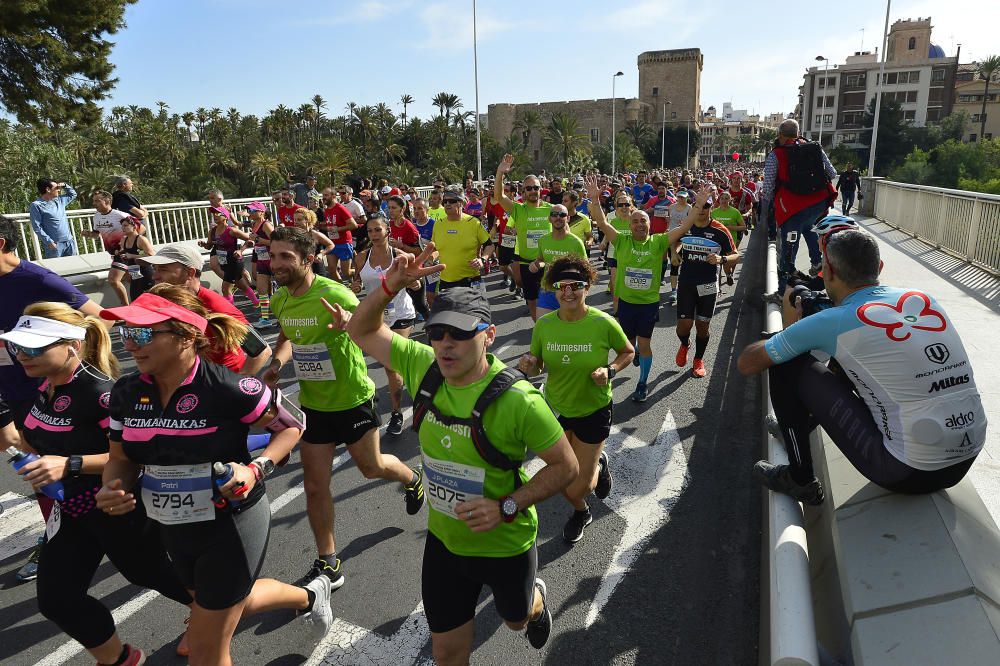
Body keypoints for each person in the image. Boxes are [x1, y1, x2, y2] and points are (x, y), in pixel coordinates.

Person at [331, 251, 577, 664]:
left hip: (505, 545)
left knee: (516, 620)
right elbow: (361, 328)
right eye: (438, 332)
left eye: (461, 334)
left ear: (490, 334)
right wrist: (389, 287)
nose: (446, 344)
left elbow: (566, 466)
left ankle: (535, 598)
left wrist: (507, 506)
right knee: (446, 652)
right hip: (446, 544)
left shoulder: (520, 401)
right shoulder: (423, 365)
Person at [96, 292, 332, 666]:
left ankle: (305, 597)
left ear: (186, 336)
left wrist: (257, 469)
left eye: (142, 335)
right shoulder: (126, 392)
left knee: (206, 651)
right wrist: (114, 486)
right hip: (172, 525)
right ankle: (310, 596)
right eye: (126, 331)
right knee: (223, 600)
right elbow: (121, 459)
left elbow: (293, 426)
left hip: (230, 522)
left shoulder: (229, 388)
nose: (129, 344)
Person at [738, 218, 987, 503]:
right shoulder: (922, 299)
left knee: (786, 362)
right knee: (855, 356)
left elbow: (748, 363)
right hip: (966, 458)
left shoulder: (835, 320)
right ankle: (798, 428)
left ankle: (800, 478)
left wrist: (784, 338)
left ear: (827, 270)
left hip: (907, 471)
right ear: (879, 268)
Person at [1, 303, 194, 666]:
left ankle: (229, 610)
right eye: (16, 347)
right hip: (72, 512)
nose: (22, 356)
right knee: (57, 600)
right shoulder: (46, 384)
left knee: (153, 574)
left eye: (33, 347)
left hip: (117, 507)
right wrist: (28, 452)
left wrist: (69, 464)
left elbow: (136, 456)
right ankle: (121, 660)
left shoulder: (103, 393)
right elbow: (39, 436)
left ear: (72, 346)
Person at [261, 226, 424, 589]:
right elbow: (288, 336)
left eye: (286, 256)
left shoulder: (334, 293)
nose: (277, 264)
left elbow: (371, 327)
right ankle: (329, 562)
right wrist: (277, 362)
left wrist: (349, 324)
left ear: (309, 259)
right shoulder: (280, 300)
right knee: (315, 486)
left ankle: (413, 479)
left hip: (353, 401)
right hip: (314, 406)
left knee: (372, 467)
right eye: (273, 256)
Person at [0, 215, 106, 582]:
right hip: (10, 392)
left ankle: (91, 533)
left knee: (73, 466)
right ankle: (60, 532)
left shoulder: (39, 281)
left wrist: (75, 374)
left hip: (52, 394)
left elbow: (98, 319)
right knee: (35, 468)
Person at [518, 255, 633, 543]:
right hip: (556, 408)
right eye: (561, 285)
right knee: (563, 477)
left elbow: (628, 352)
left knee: (576, 487)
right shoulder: (544, 325)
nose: (568, 291)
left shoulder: (602, 322)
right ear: (553, 289)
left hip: (593, 409)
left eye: (576, 285)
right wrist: (531, 366)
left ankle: (596, 472)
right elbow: (539, 363)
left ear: (587, 287)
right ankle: (582, 512)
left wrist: (610, 370)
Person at [586, 176, 699, 401]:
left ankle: (642, 383)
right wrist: (594, 199)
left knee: (645, 345)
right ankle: (634, 349)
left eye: (643, 221)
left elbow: (685, 226)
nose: (639, 224)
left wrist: (698, 204)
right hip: (626, 303)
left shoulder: (658, 242)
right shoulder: (622, 241)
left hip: (647, 305)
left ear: (649, 224)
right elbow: (602, 222)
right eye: (635, 221)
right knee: (627, 344)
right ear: (630, 225)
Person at [142, 244, 272, 376]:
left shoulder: (215, 306)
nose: (154, 276)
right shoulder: (165, 301)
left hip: (220, 384)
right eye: (155, 269)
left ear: (190, 273)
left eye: (163, 269)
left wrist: (238, 386)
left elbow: (262, 351)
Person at [352, 216, 416, 436]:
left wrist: (413, 280)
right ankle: (415, 377)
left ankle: (397, 414)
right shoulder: (361, 257)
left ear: (388, 231)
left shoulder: (399, 256)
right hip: (376, 316)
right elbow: (358, 282)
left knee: (391, 364)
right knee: (395, 363)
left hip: (401, 313)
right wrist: (356, 285)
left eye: (378, 230)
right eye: (370, 231)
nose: (374, 234)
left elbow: (414, 283)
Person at [760, 119, 837, 294]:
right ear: (798, 133)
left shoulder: (776, 154)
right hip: (817, 204)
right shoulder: (813, 147)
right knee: (810, 228)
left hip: (792, 209)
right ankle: (816, 263)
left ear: (780, 135)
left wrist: (768, 212)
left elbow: (768, 187)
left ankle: (781, 292)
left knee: (788, 253)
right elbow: (832, 173)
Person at [675, 189, 740, 379]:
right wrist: (676, 251)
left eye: (706, 206)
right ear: (694, 208)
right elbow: (674, 240)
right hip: (687, 282)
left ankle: (698, 359)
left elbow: (736, 255)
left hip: (709, 284)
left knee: (702, 326)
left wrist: (721, 259)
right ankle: (685, 343)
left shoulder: (720, 229)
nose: (702, 210)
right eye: (698, 206)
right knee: (683, 326)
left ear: (712, 208)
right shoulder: (685, 225)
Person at [494, 155, 552, 320]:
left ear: (541, 189)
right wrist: (500, 173)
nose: (533, 191)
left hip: (548, 263)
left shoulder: (551, 209)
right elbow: (499, 197)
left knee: (554, 300)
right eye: (529, 188)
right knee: (532, 300)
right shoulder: (518, 210)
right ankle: (539, 328)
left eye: (536, 187)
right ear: (523, 192)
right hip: (527, 264)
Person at [430, 186, 494, 293]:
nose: (447, 204)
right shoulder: (438, 224)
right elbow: (436, 249)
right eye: (445, 201)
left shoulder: (473, 223)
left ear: (461, 202)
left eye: (452, 201)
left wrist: (482, 259)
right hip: (446, 281)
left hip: (470, 281)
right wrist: (431, 258)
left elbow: (489, 245)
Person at [530, 204, 588, 320]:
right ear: (549, 218)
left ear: (568, 218)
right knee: (543, 325)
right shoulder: (543, 240)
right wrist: (536, 265)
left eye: (562, 215)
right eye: (554, 214)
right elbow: (541, 260)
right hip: (548, 289)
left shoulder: (576, 242)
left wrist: (583, 293)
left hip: (569, 291)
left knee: (568, 330)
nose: (558, 217)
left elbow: (585, 270)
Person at [201, 206, 259, 305]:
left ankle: (231, 313)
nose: (215, 216)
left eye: (218, 214)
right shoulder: (213, 231)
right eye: (214, 214)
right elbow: (209, 246)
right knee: (242, 285)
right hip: (224, 262)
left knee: (225, 288)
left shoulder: (232, 230)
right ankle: (256, 302)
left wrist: (241, 251)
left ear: (226, 217)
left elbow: (251, 240)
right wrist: (204, 244)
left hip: (235, 262)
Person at [85, 190, 134, 305]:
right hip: (114, 254)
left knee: (113, 280)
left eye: (97, 201)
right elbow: (96, 234)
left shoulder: (121, 215)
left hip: (123, 253)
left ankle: (126, 308)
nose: (94, 203)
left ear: (107, 201)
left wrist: (125, 242)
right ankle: (145, 302)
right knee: (132, 279)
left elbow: (141, 228)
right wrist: (89, 234)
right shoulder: (96, 217)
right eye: (93, 201)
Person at [243, 201, 278, 329]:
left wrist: (259, 240)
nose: (250, 213)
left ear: (261, 212)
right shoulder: (254, 225)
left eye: (253, 211)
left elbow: (276, 241)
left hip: (273, 260)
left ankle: (283, 316)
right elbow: (254, 242)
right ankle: (265, 319)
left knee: (282, 290)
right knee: (262, 291)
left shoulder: (266, 225)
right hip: (262, 261)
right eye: (249, 211)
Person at [29, 178, 79, 258]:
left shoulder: (59, 200)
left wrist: (65, 185)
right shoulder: (36, 205)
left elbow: (73, 194)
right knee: (55, 269)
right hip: (54, 245)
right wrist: (49, 241)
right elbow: (37, 227)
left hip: (69, 242)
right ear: (48, 189)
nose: (59, 190)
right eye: (56, 188)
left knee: (75, 268)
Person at [710, 192, 747, 286]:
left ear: (730, 200)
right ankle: (718, 289)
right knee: (716, 265)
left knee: (727, 263)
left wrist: (730, 228)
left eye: (726, 198)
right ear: (719, 199)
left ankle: (728, 274)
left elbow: (743, 227)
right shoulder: (714, 212)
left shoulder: (735, 212)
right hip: (716, 242)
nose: (724, 200)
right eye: (722, 198)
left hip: (730, 242)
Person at [116, 215, 155, 303]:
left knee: (148, 300)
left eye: (125, 225)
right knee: (135, 298)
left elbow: (152, 255)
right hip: (134, 271)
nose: (123, 228)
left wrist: (132, 256)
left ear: (134, 227)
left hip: (145, 271)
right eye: (122, 226)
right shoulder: (124, 240)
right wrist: (119, 254)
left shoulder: (141, 239)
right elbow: (126, 254)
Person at [664, 190, 692, 305]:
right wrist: (667, 223)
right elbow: (668, 221)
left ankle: (685, 289)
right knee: (674, 264)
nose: (681, 199)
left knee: (685, 265)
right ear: (676, 197)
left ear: (687, 198)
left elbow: (691, 222)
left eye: (683, 197)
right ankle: (674, 291)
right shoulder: (671, 207)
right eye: (679, 197)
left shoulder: (689, 208)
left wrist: (685, 224)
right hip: (672, 236)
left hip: (685, 237)